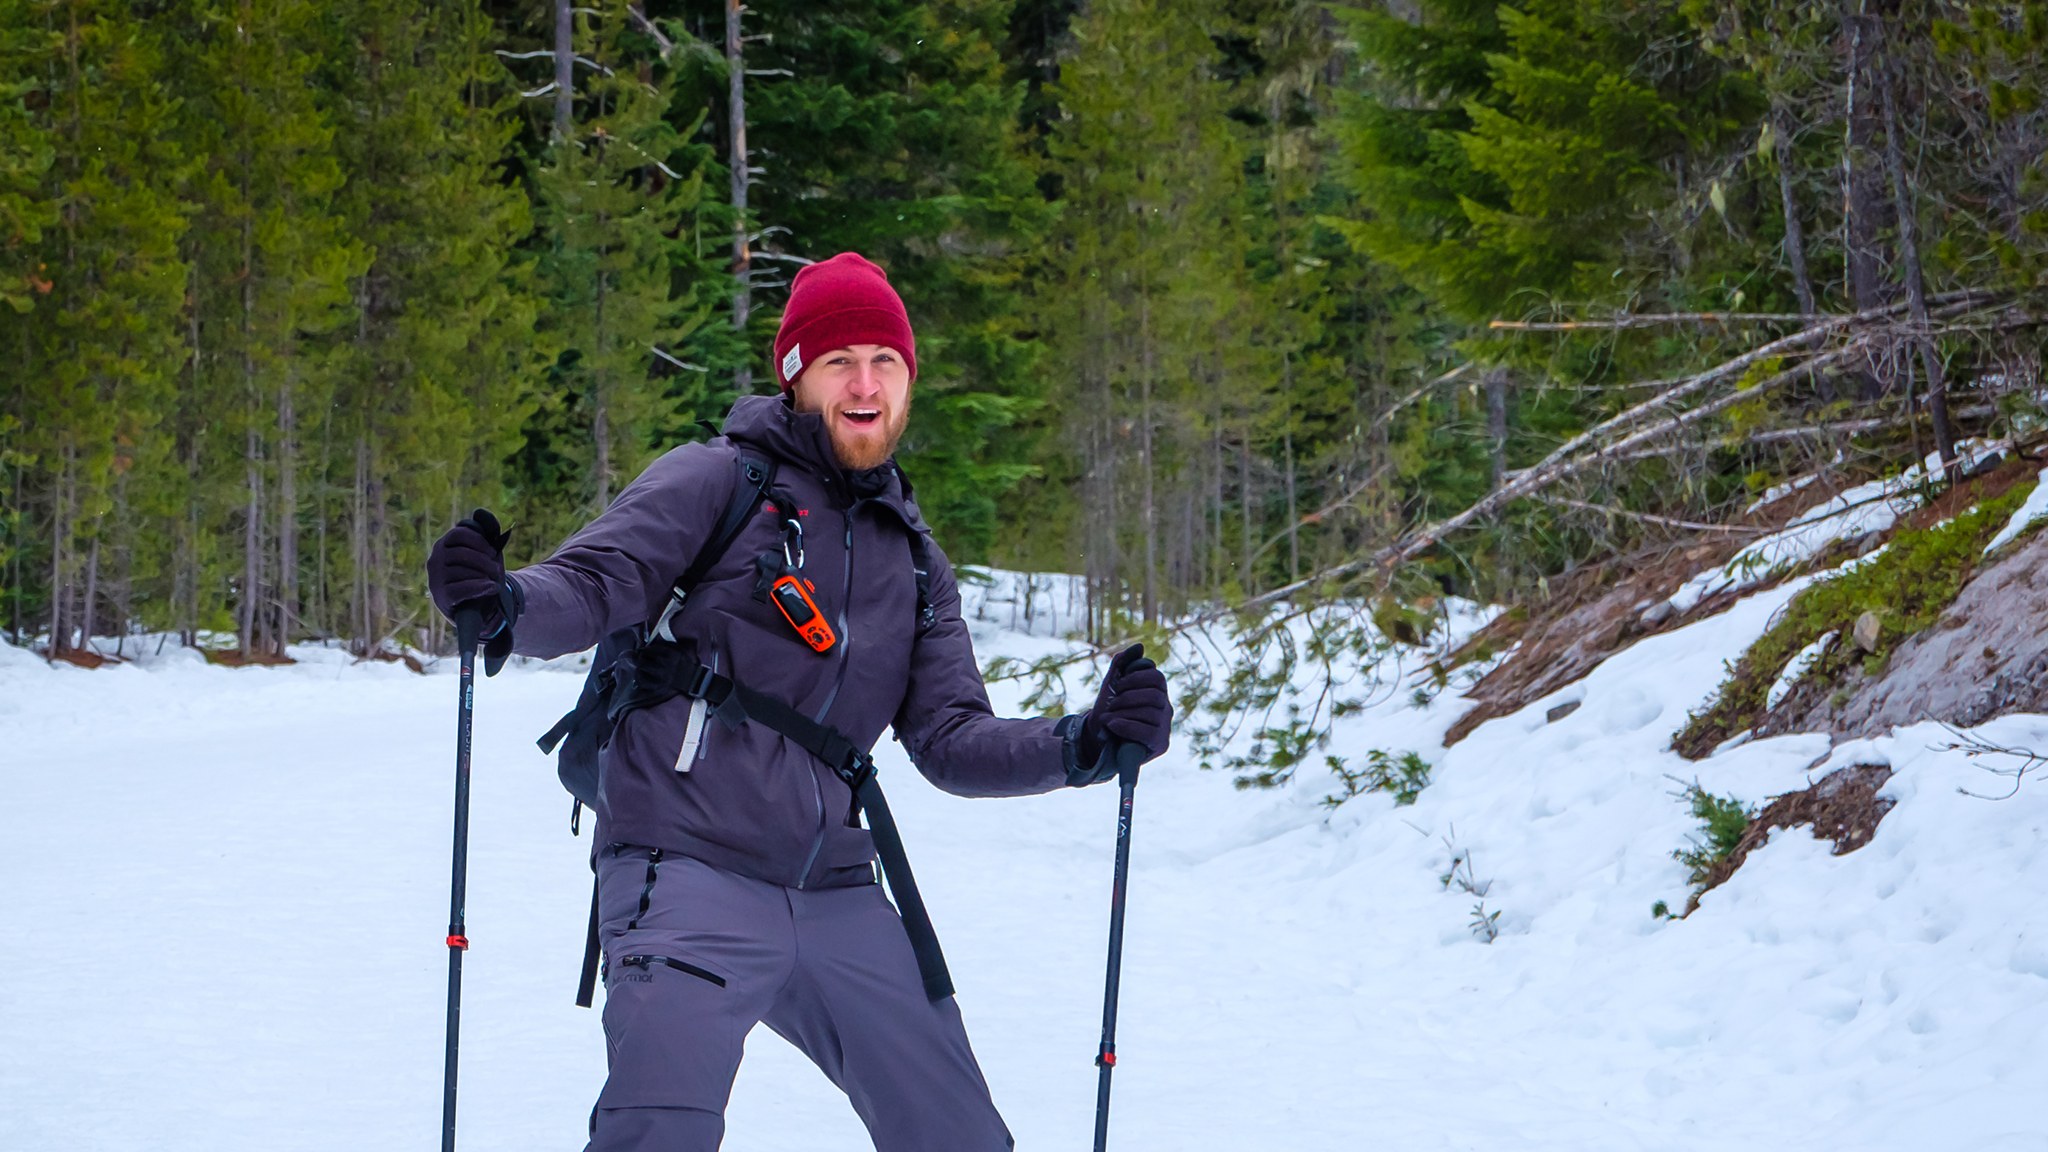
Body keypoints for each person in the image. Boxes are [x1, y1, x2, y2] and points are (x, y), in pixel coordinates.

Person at [425, 251, 1172, 1152]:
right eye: (839, 361)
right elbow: (594, 582)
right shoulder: (717, 481)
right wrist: (505, 604)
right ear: (796, 377)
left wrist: (1082, 742)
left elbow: (949, 737)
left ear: (907, 383)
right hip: (686, 867)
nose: (865, 383)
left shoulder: (913, 556)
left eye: (885, 362)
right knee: (658, 1133)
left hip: (835, 891)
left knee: (960, 1136)